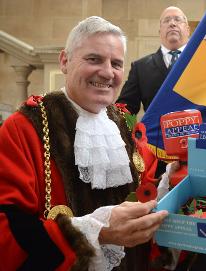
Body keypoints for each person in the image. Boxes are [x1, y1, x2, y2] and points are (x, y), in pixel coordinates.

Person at [0, 16, 168, 271]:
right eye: (94, 59)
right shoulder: (24, 127)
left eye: (117, 63)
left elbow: (147, 191)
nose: (107, 72)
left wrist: (171, 184)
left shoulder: (126, 124)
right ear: (65, 62)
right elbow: (6, 232)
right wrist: (95, 231)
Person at [116, 6, 190, 115]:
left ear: (188, 30)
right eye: (167, 20)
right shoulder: (140, 67)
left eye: (177, 20)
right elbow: (126, 109)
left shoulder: (203, 62)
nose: (172, 24)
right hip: (156, 131)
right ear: (160, 32)